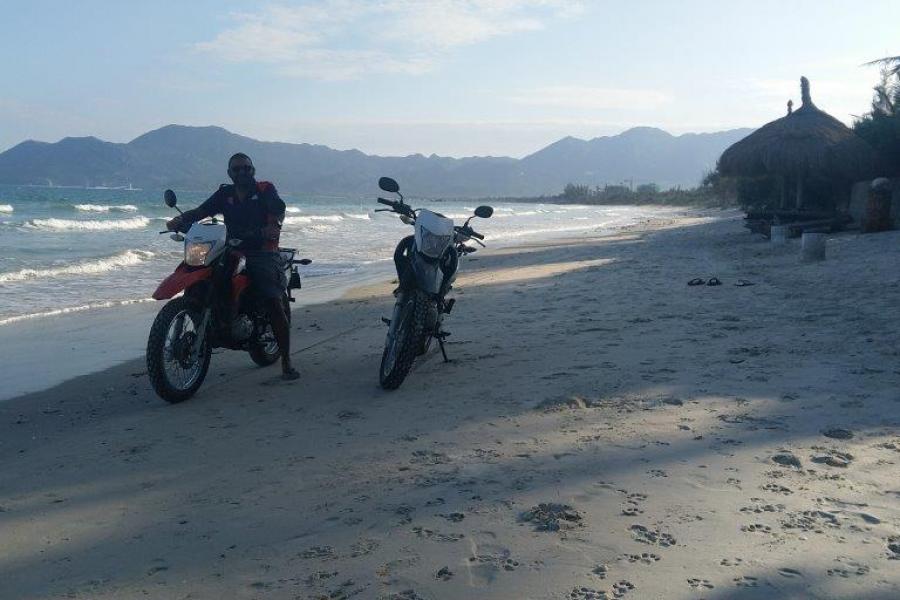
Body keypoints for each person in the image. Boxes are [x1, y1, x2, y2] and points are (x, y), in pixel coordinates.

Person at [166, 153, 300, 380]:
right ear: (230, 173)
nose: (242, 172)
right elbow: (201, 211)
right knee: (202, 270)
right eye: (236, 169)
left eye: (246, 168)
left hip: (261, 249)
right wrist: (180, 220)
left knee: (272, 299)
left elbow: (277, 209)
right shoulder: (224, 193)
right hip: (230, 246)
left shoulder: (265, 189)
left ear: (253, 170)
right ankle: (219, 317)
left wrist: (274, 225)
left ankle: (286, 361)